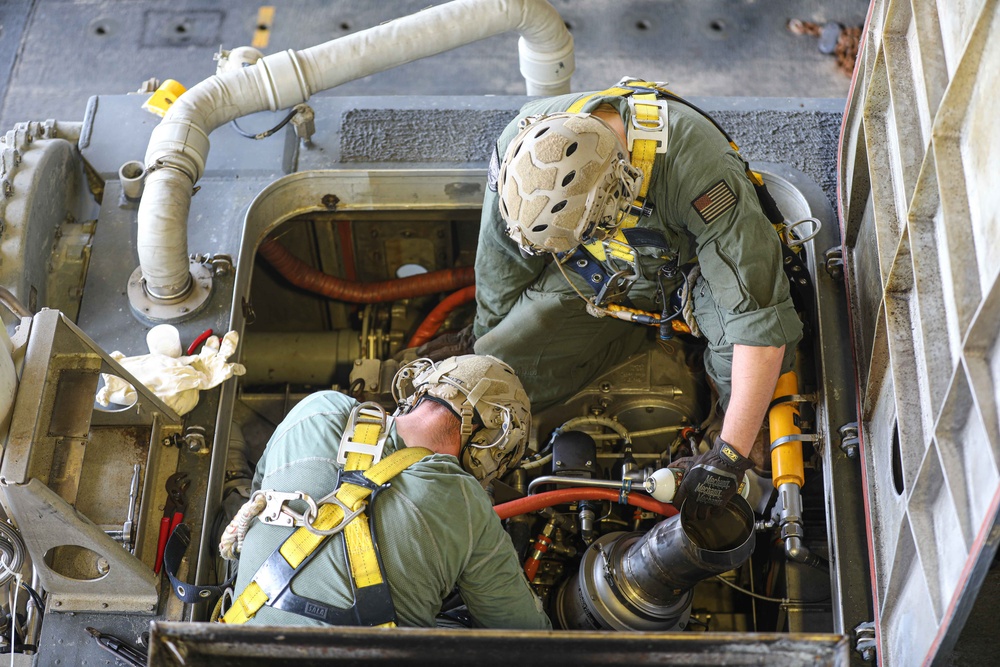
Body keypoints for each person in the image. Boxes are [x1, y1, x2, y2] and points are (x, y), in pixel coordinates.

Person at [422, 78, 803, 520]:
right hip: (601, 274)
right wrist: (483, 344)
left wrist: (729, 457)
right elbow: (502, 265)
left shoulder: (696, 166)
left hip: (697, 278)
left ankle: (735, 439)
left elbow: (757, 317)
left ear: (622, 189)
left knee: (748, 367)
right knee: (501, 365)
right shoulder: (518, 147)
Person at [222, 354, 551, 629]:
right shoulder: (465, 502)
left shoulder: (316, 408)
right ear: (488, 445)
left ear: (422, 389)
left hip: (231, 650)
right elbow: (524, 633)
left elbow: (258, 495)